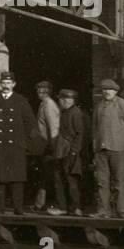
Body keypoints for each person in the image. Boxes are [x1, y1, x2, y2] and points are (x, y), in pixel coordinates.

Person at [0, 73, 37, 214]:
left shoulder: (21, 100)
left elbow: (30, 122)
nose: (6, 86)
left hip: (15, 145)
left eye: (9, 83)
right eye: (4, 83)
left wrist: (20, 137)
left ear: (14, 84)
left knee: (16, 177)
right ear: (0, 84)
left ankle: (18, 208)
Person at [93, 78, 124, 218]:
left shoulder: (123, 105)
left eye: (109, 89)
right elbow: (95, 127)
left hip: (118, 148)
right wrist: (95, 146)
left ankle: (122, 211)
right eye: (104, 89)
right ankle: (103, 210)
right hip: (101, 149)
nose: (107, 92)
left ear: (115, 91)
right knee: (102, 181)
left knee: (119, 181)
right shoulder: (99, 106)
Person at [54, 88, 87, 217]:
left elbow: (79, 134)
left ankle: (75, 208)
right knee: (62, 179)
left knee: (70, 179)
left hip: (70, 151)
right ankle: (66, 207)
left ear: (72, 100)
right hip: (63, 150)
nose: (65, 101)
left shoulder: (75, 113)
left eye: (68, 99)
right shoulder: (66, 112)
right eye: (63, 99)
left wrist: (74, 152)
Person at [33, 81, 63, 214]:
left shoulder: (48, 105)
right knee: (45, 175)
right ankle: (40, 204)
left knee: (49, 175)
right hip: (46, 145)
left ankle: (43, 204)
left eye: (44, 90)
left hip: (50, 145)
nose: (40, 92)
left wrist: (53, 145)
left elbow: (53, 126)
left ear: (49, 92)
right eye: (39, 90)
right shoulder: (43, 104)